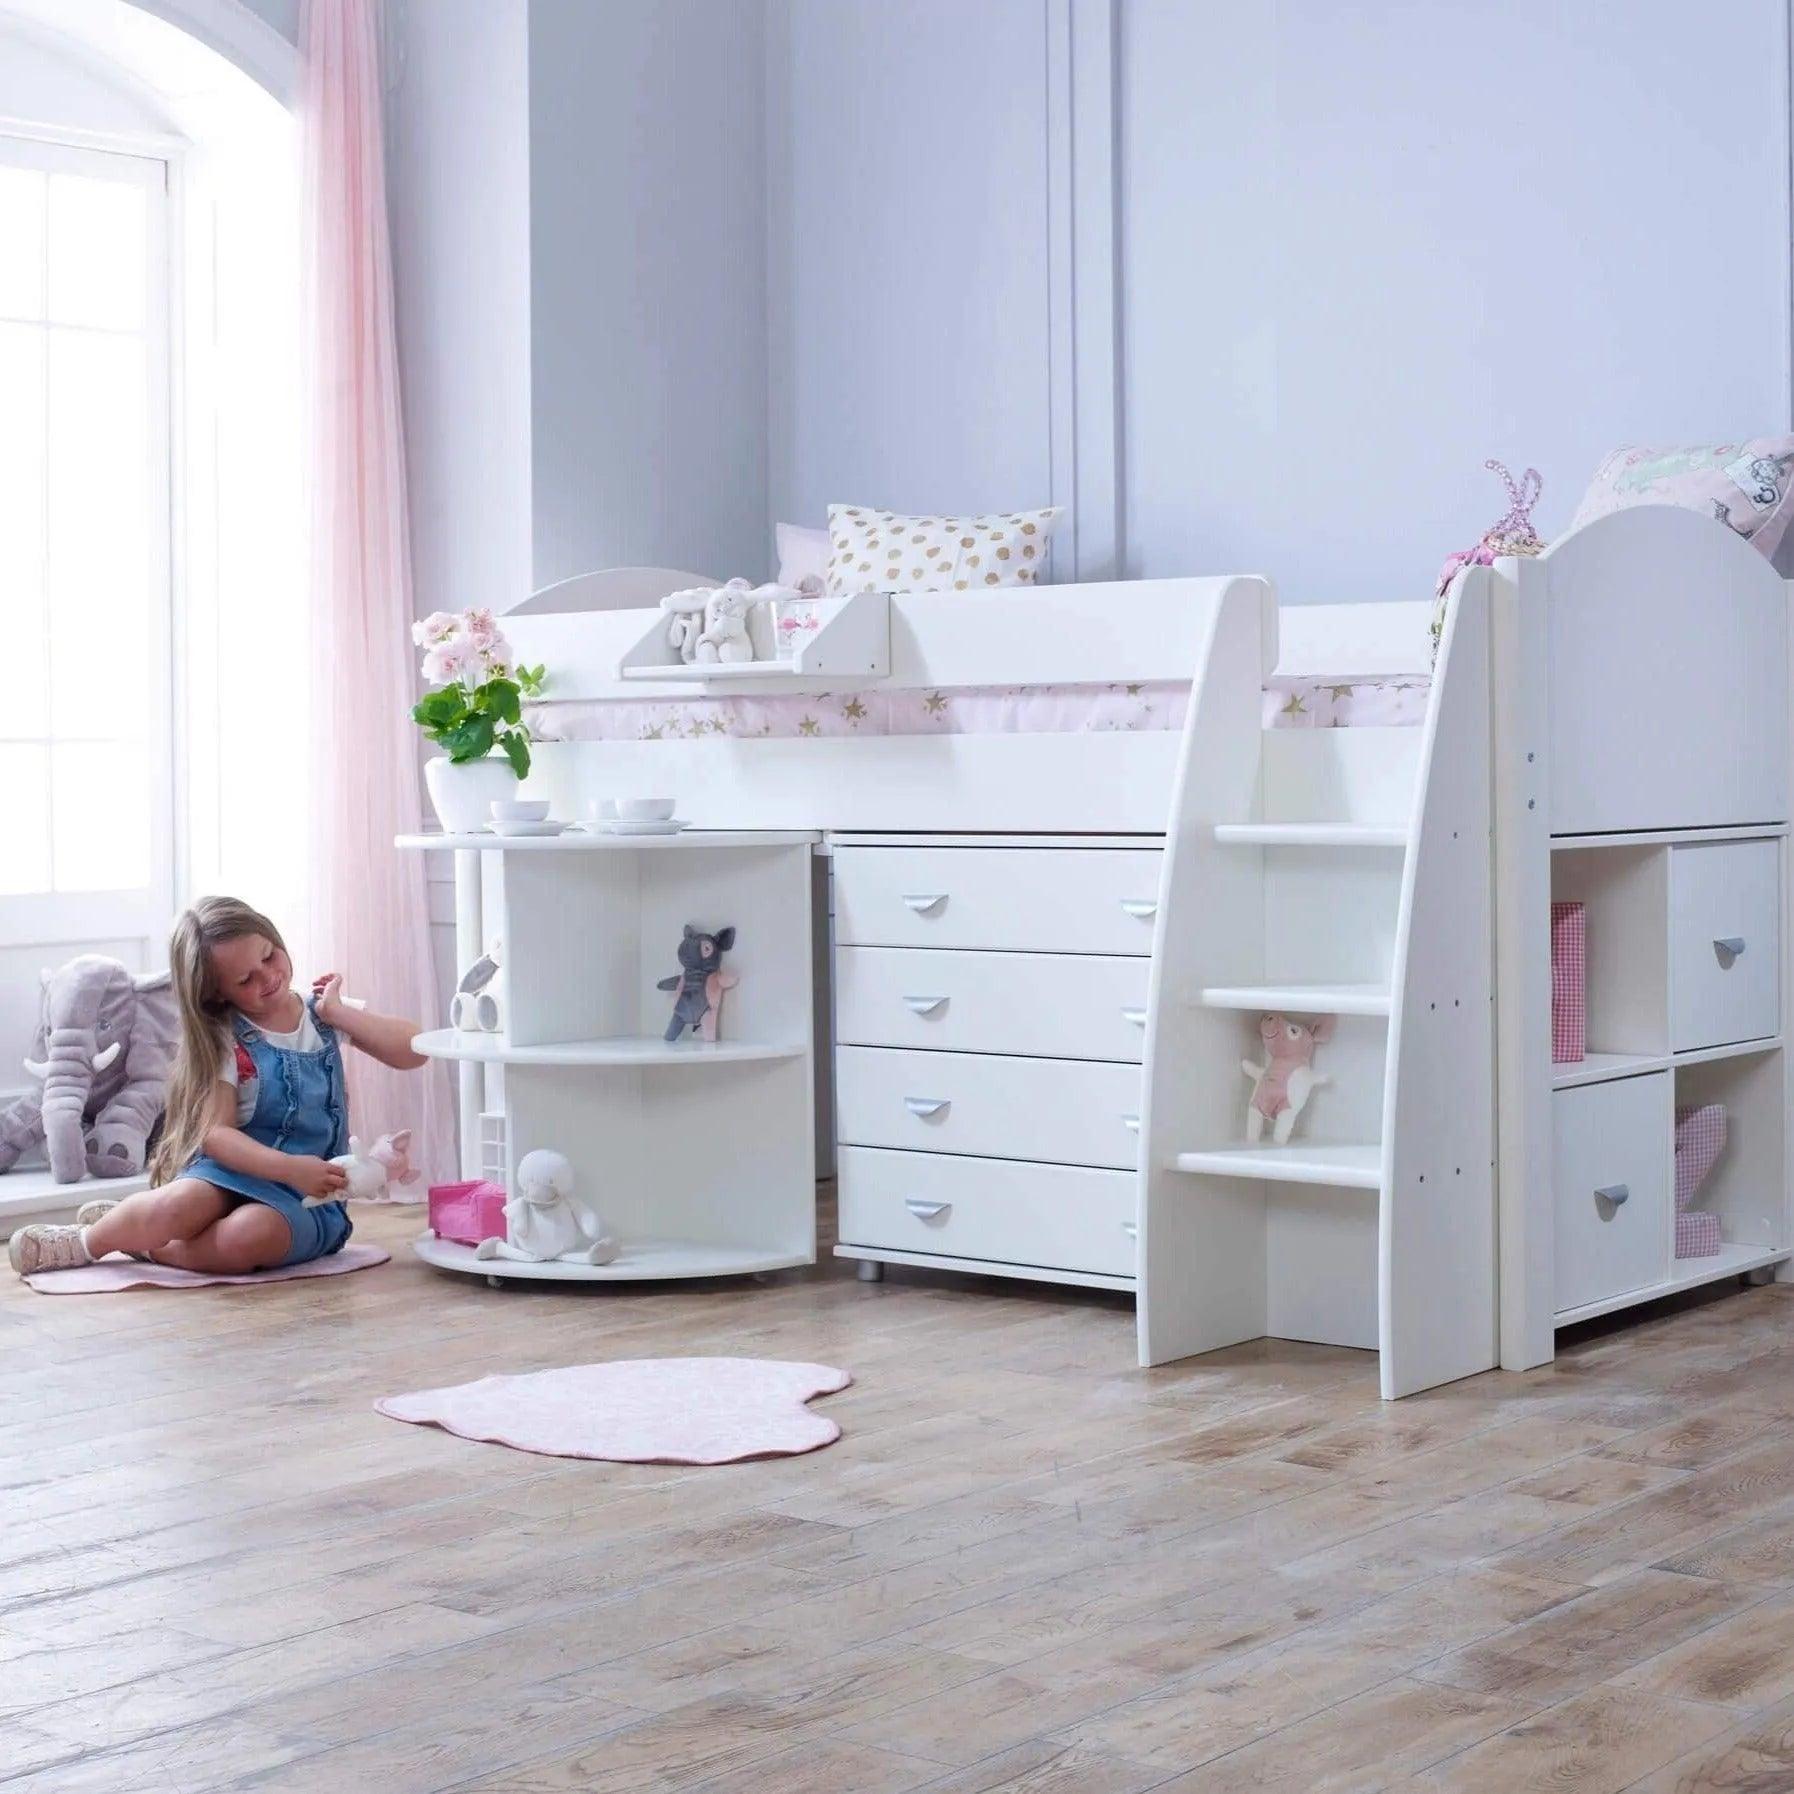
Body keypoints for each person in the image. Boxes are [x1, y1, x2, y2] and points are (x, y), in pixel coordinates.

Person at [8, 896, 425, 1276]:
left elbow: (414, 1049)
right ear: (216, 993)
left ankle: (155, 1251)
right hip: (232, 1173)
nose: (267, 978)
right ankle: (85, 1243)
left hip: (312, 1198)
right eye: (245, 980)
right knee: (176, 1206)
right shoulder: (225, 1038)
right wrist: (288, 1168)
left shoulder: (324, 1015)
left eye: (269, 956)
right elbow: (216, 1136)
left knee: (248, 1235)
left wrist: (341, 1014)